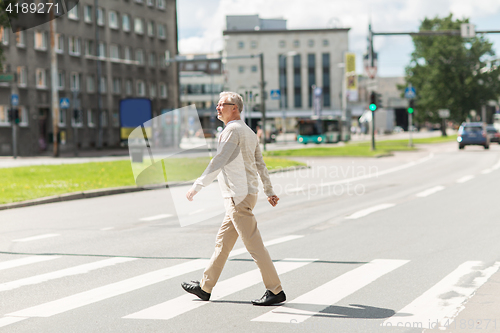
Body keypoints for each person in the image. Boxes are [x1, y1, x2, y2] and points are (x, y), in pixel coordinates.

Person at [182, 91, 285, 306]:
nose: (217, 108)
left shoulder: (232, 131)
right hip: (246, 195)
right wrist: (269, 190)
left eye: (222, 104)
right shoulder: (248, 131)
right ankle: (205, 287)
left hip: (237, 197)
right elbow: (260, 164)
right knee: (223, 243)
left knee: (255, 246)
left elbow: (219, 160)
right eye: (218, 104)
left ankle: (275, 290)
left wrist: (197, 186)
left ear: (234, 108)